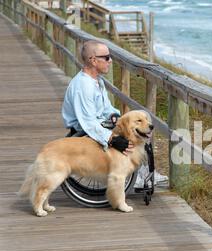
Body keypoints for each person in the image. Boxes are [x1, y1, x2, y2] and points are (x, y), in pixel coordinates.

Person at [62, 40, 167, 190]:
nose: (110, 61)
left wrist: (114, 116)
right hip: (86, 130)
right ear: (93, 60)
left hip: (102, 122)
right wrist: (112, 139)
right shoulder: (83, 86)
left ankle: (143, 169)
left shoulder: (96, 81)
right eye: (106, 57)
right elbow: (88, 123)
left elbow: (106, 108)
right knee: (135, 128)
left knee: (141, 118)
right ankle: (131, 173)